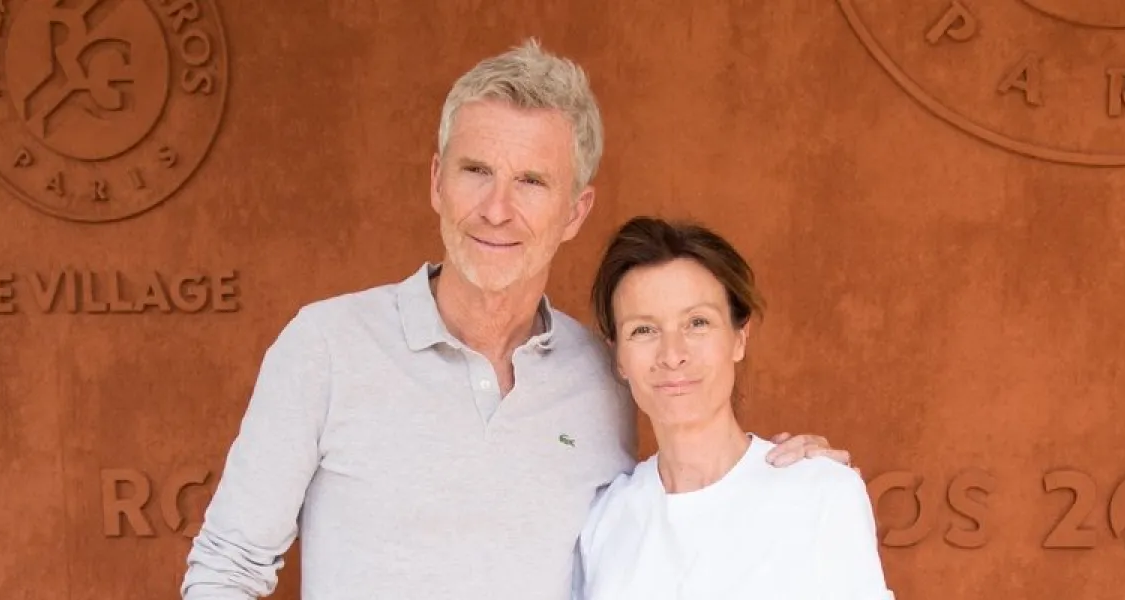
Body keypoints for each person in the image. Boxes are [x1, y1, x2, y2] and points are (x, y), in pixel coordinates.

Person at [180, 38, 856, 600]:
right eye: (476, 171)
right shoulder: (327, 346)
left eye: (531, 181)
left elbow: (686, 500)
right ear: (437, 181)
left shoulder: (604, 376)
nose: (497, 210)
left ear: (576, 211)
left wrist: (791, 480)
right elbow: (226, 569)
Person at [574, 216, 893, 599]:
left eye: (697, 323)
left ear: (739, 338)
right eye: (643, 329)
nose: (672, 354)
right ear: (619, 357)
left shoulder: (821, 493)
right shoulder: (604, 520)